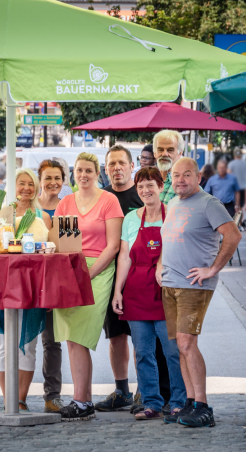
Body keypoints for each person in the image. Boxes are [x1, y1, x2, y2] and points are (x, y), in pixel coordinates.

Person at [158, 157, 241, 427]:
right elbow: (168, 237)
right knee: (180, 346)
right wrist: (160, 265)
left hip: (194, 285)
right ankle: (191, 404)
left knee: (186, 343)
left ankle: (204, 407)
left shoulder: (209, 204)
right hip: (171, 283)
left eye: (186, 175)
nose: (180, 179)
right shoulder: (172, 203)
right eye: (175, 175)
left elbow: (233, 236)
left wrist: (213, 269)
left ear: (198, 177)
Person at [112, 167, 187, 421]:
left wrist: (161, 261)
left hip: (166, 290)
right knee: (143, 352)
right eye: (141, 186)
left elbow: (179, 248)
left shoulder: (172, 215)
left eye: (150, 185)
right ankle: (151, 402)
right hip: (136, 291)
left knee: (172, 351)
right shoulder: (131, 219)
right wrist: (117, 292)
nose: (145, 191)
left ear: (160, 185)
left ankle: (178, 401)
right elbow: (124, 256)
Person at [54, 153, 124, 421]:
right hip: (70, 268)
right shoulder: (66, 203)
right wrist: (69, 273)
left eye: (88, 170)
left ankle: (82, 400)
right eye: (79, 170)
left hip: (99, 269)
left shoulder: (109, 201)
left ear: (97, 173)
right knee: (71, 337)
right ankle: (82, 400)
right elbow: (62, 240)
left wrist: (89, 273)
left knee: (81, 333)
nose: (83, 175)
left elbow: (113, 246)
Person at [0, 168, 49, 411]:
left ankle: (20, 399)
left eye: (30, 184)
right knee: (3, 344)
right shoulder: (1, 216)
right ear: (12, 187)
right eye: (21, 183)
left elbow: (50, 249)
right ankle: (7, 399)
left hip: (33, 288)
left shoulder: (42, 216)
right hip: (4, 288)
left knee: (29, 344)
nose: (26, 188)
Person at [94, 145, 143, 412]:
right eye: (111, 164)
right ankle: (122, 390)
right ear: (106, 168)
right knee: (115, 337)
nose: (116, 168)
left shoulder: (142, 194)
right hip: (109, 277)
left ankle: (144, 391)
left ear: (131, 165)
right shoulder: (103, 197)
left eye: (121, 163)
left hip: (139, 277)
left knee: (141, 336)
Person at [35, 160, 66, 413]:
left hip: (55, 281)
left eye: (57, 177)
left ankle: (52, 396)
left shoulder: (67, 208)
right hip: (30, 281)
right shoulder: (29, 209)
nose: (53, 182)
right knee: (20, 342)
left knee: (52, 342)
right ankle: (16, 395)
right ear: (39, 179)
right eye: (48, 177)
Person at [154, 130, 185, 205]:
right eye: (160, 149)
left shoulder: (188, 185)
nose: (164, 154)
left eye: (170, 150)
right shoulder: (148, 180)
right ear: (155, 153)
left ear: (179, 154)